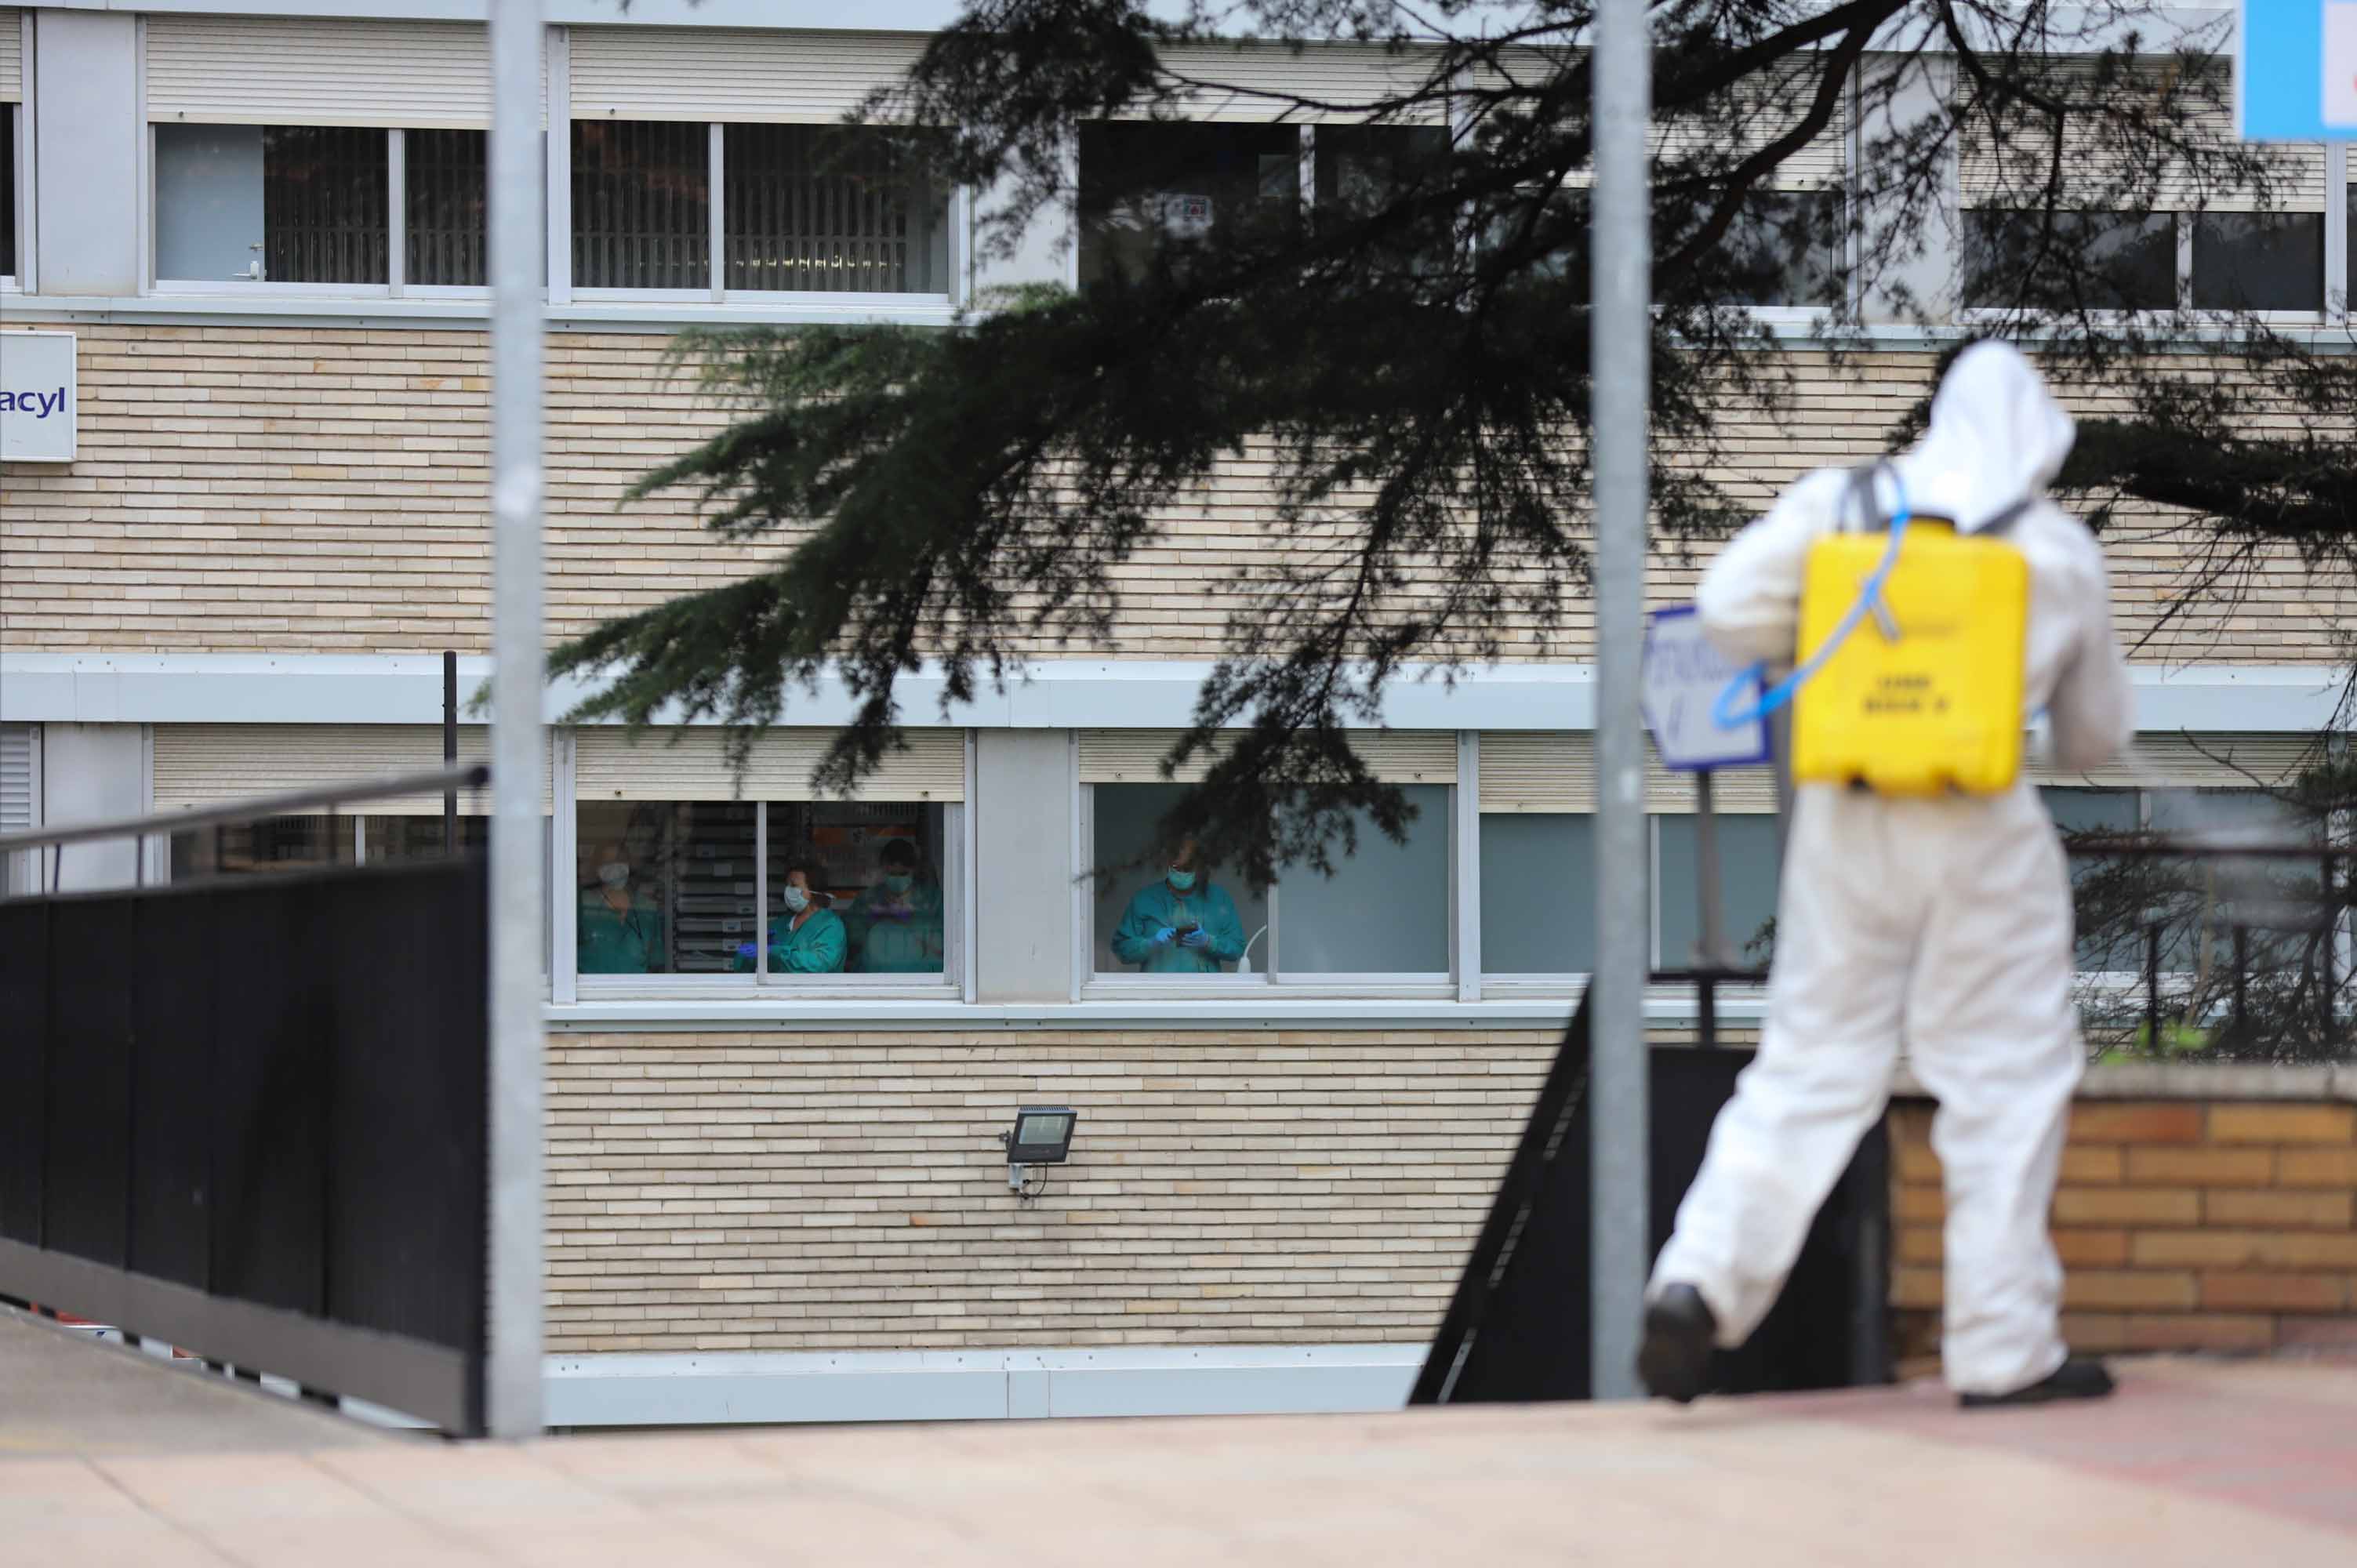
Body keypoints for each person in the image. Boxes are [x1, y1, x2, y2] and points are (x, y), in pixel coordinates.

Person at [1640, 341, 2134, 1410]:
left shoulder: (1842, 506)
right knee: (2002, 1079)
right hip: (1978, 821)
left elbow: (1725, 608)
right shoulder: (2055, 547)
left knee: (1810, 1063)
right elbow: (2092, 738)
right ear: (2038, 437)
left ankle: (1698, 1282)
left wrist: (1828, 629)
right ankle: (2001, 1349)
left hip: (1846, 814)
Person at [1109, 837, 1248, 974]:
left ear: (1199, 866)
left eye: (1187, 867)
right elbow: (1122, 949)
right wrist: (1151, 943)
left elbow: (1237, 947)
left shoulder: (1218, 899)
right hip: (1158, 987)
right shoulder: (1145, 900)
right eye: (1176, 867)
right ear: (1167, 863)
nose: (1181, 872)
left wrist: (1209, 942)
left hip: (1204, 987)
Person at [844, 837, 947, 974]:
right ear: (883, 870)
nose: (897, 879)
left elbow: (949, 939)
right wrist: (878, 917)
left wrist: (913, 918)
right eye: (892, 874)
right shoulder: (869, 899)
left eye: (903, 874)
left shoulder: (933, 899)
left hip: (924, 976)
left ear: (914, 870)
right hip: (875, 975)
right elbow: (850, 936)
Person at [732, 860, 846, 975]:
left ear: (813, 890)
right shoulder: (780, 924)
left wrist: (775, 952)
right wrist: (748, 956)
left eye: (794, 885)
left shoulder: (831, 926)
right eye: (787, 885)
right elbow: (744, 965)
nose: (788, 890)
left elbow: (820, 964)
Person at [577, 839, 666, 974]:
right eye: (608, 862)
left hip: (636, 986)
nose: (615, 866)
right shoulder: (583, 904)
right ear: (597, 867)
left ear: (629, 865)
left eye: (620, 860)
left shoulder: (647, 908)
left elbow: (656, 962)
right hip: (591, 986)